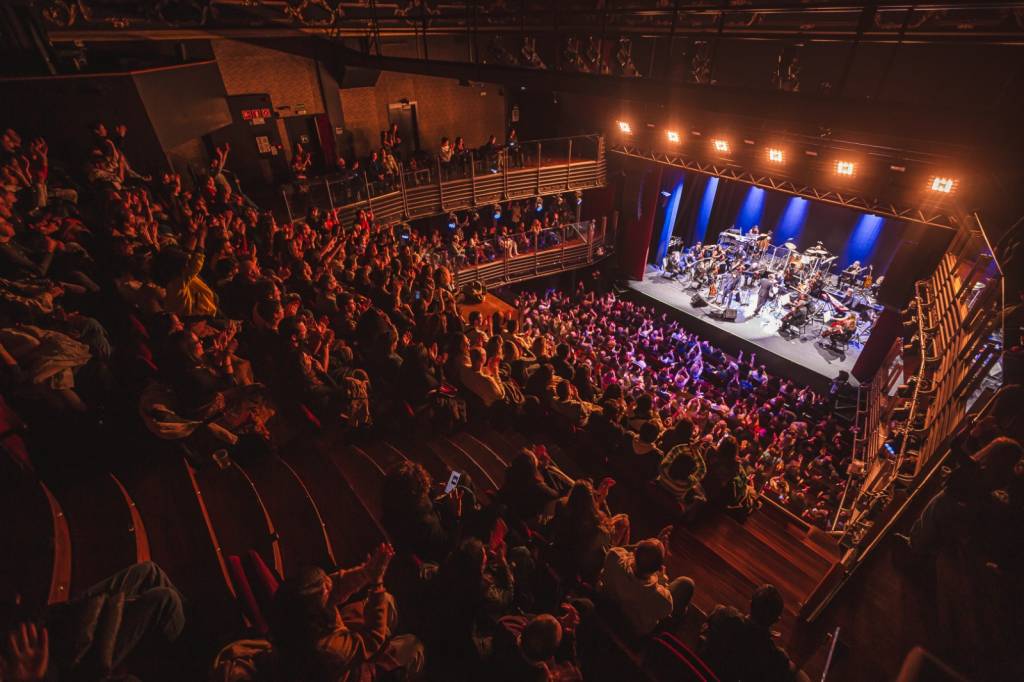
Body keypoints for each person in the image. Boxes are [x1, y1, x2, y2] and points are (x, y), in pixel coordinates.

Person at [214, 545, 423, 682]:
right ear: (318, 612)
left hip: (330, 647)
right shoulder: (329, 649)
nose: (330, 585)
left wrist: (367, 572)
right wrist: (377, 582)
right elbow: (372, 639)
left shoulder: (297, 612)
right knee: (412, 646)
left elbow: (334, 585)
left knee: (387, 602)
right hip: (348, 671)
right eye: (326, 589)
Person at [598, 537, 694, 638]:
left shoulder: (614, 557)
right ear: (659, 568)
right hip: (631, 636)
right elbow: (666, 612)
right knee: (686, 584)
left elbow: (622, 551)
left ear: (635, 551)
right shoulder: (662, 599)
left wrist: (642, 547)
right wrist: (661, 581)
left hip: (605, 612)